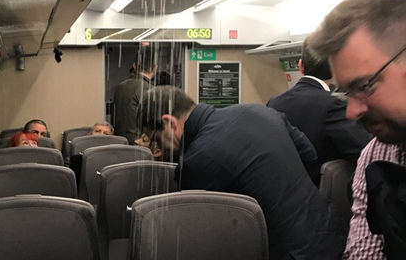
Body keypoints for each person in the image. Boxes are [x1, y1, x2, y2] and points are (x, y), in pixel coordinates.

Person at [138, 86, 346, 260]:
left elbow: (203, 234)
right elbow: (309, 155)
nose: (159, 148)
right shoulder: (257, 110)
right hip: (331, 233)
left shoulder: (197, 161)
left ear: (169, 122)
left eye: (155, 139)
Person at [309, 0, 406, 259]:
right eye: (346, 93)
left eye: (364, 86)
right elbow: (364, 252)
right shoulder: (376, 156)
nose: (351, 112)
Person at [267, 37, 370, 184]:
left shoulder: (274, 101)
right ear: (335, 70)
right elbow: (364, 153)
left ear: (300, 66)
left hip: (282, 188)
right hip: (320, 192)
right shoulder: (333, 104)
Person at [113, 52, 157, 144]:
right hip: (140, 142)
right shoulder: (150, 90)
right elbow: (153, 120)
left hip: (119, 140)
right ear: (155, 68)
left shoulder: (121, 86)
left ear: (134, 66)